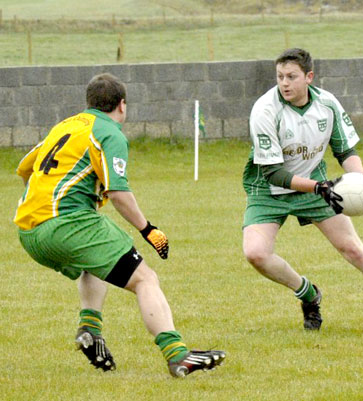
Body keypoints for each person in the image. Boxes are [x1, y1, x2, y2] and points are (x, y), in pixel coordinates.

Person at [13, 73, 225, 377]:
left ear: (89, 103)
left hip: (29, 231)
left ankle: (90, 330)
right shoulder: (108, 132)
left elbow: (25, 168)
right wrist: (148, 229)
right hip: (67, 223)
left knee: (93, 261)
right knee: (145, 279)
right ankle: (178, 354)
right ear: (122, 105)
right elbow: (118, 193)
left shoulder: (66, 126)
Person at [242, 48, 363, 333]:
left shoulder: (328, 104)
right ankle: (308, 294)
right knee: (256, 254)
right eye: (280, 76)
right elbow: (274, 173)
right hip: (269, 190)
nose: (284, 83)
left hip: (318, 188)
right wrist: (320, 186)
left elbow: (344, 149)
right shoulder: (264, 109)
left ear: (309, 77)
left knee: (354, 250)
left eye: (291, 77)